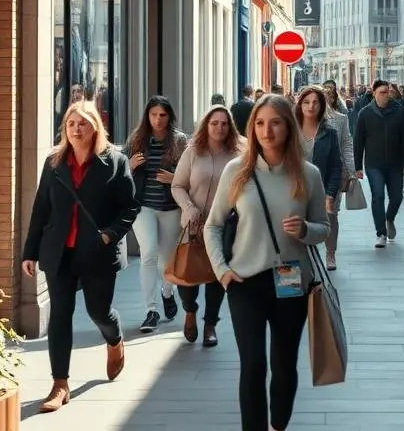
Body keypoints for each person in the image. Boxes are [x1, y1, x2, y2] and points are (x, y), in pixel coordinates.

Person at [203, 95, 330, 431]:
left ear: (288, 126)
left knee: (285, 364)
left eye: (274, 122)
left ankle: (279, 424)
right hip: (245, 282)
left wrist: (305, 229)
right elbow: (213, 225)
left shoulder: (308, 174)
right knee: (254, 365)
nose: (266, 130)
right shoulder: (237, 171)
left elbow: (324, 229)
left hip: (291, 282)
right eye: (259, 123)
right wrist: (222, 271)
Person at [21, 102, 139, 413]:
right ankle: (60, 383)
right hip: (60, 252)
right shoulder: (54, 163)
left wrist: (110, 234)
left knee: (99, 311)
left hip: (98, 251)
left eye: (82, 123)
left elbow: (130, 207)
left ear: (95, 128)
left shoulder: (115, 162)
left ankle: (114, 341)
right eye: (71, 123)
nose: (76, 128)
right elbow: (41, 210)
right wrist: (30, 252)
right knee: (60, 314)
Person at [171, 104, 243, 347]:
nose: (219, 128)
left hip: (223, 226)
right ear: (206, 125)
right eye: (214, 123)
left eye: (224, 123)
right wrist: (189, 208)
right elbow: (177, 185)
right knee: (187, 277)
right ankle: (190, 310)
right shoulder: (192, 152)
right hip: (193, 225)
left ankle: (210, 323)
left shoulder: (238, 153)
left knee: (217, 276)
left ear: (230, 126)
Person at [125, 96, 190, 333]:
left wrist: (174, 179)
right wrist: (129, 165)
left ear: (169, 116)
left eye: (162, 115)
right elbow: (119, 172)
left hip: (171, 207)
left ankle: (167, 292)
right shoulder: (136, 139)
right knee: (149, 253)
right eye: (153, 115)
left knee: (166, 261)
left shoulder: (180, 141)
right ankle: (150, 310)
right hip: (143, 207)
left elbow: (191, 174)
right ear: (147, 115)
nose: (158, 120)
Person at [352, 79, 404, 248]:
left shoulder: (399, 111)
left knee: (397, 197)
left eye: (387, 92)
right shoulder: (365, 113)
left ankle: (389, 218)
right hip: (374, 164)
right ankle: (380, 232)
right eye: (382, 92)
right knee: (378, 195)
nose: (386, 95)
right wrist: (357, 166)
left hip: (395, 163)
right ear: (374, 93)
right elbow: (358, 141)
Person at [295, 86, 345, 269]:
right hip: (296, 190)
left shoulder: (329, 132)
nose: (311, 106)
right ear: (300, 105)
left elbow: (335, 164)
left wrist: (330, 193)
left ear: (322, 106)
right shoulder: (291, 132)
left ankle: (330, 253)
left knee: (329, 218)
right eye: (306, 102)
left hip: (323, 188)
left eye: (316, 102)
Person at [317, 83, 355, 270]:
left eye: (326, 97)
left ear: (332, 100)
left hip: (334, 172)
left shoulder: (340, 119)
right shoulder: (300, 121)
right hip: (309, 174)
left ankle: (330, 253)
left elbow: (347, 143)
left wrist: (351, 169)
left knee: (331, 213)